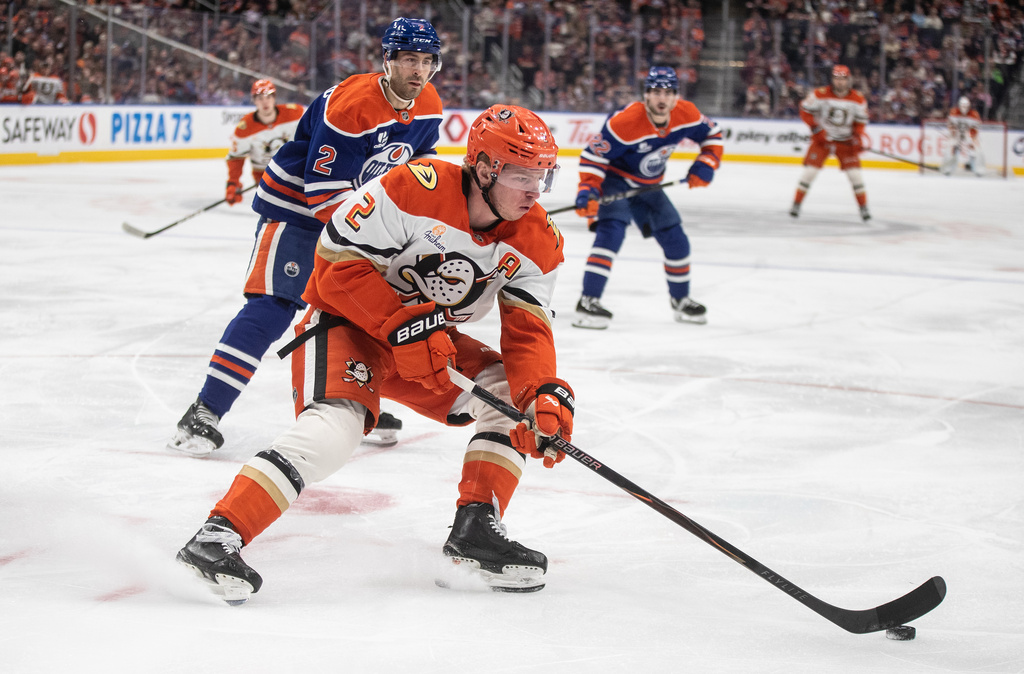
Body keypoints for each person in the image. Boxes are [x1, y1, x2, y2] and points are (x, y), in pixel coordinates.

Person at [175, 104, 573, 602]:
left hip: (424, 348)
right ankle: (217, 535)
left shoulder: (539, 239)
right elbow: (335, 267)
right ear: (485, 166)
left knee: (511, 398)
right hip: (348, 326)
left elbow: (528, 332)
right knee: (336, 428)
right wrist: (405, 325)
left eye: (544, 176)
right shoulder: (413, 188)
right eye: (522, 175)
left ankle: (475, 534)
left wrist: (543, 394)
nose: (536, 191)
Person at [168, 17, 445, 457]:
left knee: (361, 316)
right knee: (273, 307)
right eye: (409, 59)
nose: (419, 70)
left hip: (356, 215)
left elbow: (420, 163)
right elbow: (322, 195)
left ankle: (352, 403)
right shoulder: (352, 106)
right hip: (297, 211)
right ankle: (205, 409)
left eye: (427, 61)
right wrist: (378, 238)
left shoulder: (429, 102)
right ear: (388, 60)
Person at [572, 66, 723, 330]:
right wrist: (589, 190)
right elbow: (593, 157)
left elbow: (713, 134)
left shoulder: (686, 113)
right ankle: (588, 301)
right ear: (646, 95)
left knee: (676, 239)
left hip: (649, 186)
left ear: (676, 96)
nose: (662, 99)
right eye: (655, 92)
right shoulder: (624, 122)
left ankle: (681, 301)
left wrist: (706, 164)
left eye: (668, 92)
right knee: (611, 233)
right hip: (615, 181)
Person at [789, 65, 870, 221]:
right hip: (822, 141)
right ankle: (796, 204)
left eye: (843, 79)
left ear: (849, 80)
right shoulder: (820, 94)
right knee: (809, 173)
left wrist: (857, 137)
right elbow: (805, 110)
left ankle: (863, 208)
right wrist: (816, 129)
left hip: (845, 142)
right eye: (837, 79)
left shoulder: (858, 99)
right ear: (832, 79)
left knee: (855, 176)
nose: (840, 83)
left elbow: (860, 122)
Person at [224, 79, 304, 206]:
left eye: (268, 97)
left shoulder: (295, 114)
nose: (264, 101)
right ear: (254, 100)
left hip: (295, 169)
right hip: (265, 176)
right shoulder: (244, 128)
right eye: (260, 98)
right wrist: (233, 183)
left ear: (274, 98)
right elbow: (236, 158)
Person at [941, 95, 984, 176]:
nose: (964, 108)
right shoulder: (954, 112)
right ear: (959, 105)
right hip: (956, 133)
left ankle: (978, 169)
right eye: (962, 106)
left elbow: (976, 127)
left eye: (966, 106)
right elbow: (950, 124)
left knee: (977, 149)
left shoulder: (974, 114)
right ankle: (947, 169)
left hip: (968, 133)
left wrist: (972, 140)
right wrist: (953, 132)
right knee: (950, 148)